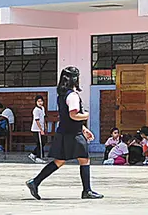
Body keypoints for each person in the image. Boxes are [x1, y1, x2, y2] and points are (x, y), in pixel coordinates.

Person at [25, 67, 102, 200]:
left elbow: (66, 116)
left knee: (60, 160)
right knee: (84, 159)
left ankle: (35, 182)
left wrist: (84, 129)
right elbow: (73, 115)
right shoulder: (72, 95)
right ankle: (87, 191)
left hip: (65, 132)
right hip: (73, 134)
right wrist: (85, 116)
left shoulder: (62, 95)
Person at [29, 95, 47, 163]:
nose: (40, 103)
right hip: (36, 129)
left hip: (41, 128)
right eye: (38, 101)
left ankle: (33, 154)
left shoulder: (42, 108)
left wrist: (45, 126)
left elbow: (43, 118)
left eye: (41, 101)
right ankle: (39, 157)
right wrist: (41, 129)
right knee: (39, 143)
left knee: (43, 142)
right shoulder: (36, 110)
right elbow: (37, 120)